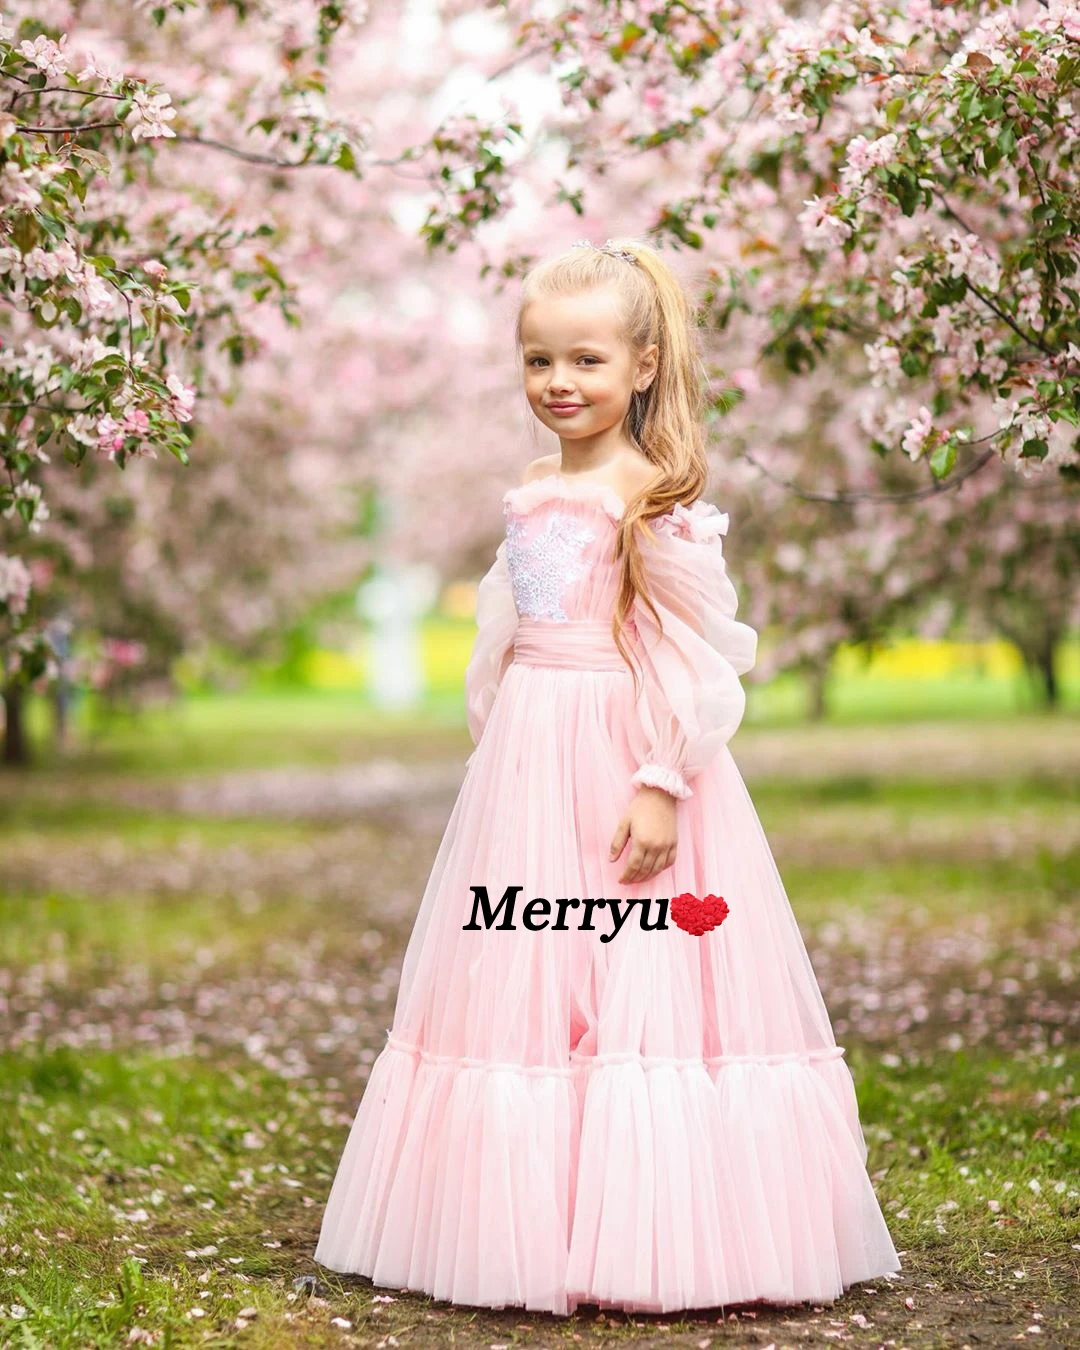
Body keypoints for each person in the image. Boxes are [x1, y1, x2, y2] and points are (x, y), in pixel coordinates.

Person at [314, 236, 901, 1316]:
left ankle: (644, 1225)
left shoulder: (652, 494)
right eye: (538, 361)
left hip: (624, 750)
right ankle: (532, 1218)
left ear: (641, 365)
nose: (559, 384)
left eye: (585, 360)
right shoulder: (536, 484)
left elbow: (691, 648)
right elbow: (513, 610)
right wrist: (501, 726)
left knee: (638, 964)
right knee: (531, 966)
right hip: (535, 754)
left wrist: (663, 777)